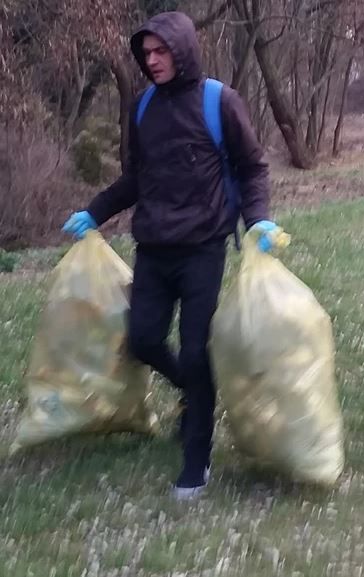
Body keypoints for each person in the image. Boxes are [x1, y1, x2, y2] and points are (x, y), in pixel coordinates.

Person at [60, 11, 281, 500]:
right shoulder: (142, 108)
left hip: (203, 246)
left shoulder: (219, 101)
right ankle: (194, 391)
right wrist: (94, 212)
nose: (153, 60)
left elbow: (252, 167)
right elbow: (136, 178)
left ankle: (196, 458)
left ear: (182, 50)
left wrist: (257, 218)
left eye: (161, 52)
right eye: (147, 54)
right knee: (142, 340)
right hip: (154, 246)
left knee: (197, 348)